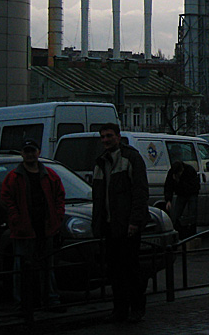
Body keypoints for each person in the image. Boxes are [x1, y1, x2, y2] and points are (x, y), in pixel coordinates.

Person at [92, 123, 149, 323]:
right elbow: (98, 197)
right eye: (102, 137)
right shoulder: (101, 162)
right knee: (115, 272)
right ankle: (120, 309)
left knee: (130, 269)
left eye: (109, 136)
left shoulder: (130, 158)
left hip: (126, 226)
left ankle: (136, 308)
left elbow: (140, 193)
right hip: (110, 225)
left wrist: (135, 221)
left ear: (118, 136)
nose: (105, 140)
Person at [0, 139, 65, 309]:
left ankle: (50, 299)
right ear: (22, 153)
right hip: (24, 230)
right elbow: (7, 200)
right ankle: (22, 302)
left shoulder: (50, 175)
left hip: (45, 228)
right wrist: (16, 219)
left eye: (32, 150)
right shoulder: (13, 177)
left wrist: (57, 218)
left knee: (47, 268)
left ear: (38, 152)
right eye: (26, 151)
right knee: (21, 268)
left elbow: (60, 197)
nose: (29, 154)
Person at [164, 160, 200, 239]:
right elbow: (168, 186)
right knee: (177, 213)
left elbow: (193, 186)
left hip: (191, 193)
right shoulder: (173, 173)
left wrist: (178, 182)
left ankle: (191, 231)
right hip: (181, 194)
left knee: (192, 213)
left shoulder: (189, 171)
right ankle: (178, 230)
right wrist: (168, 200)